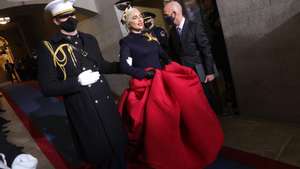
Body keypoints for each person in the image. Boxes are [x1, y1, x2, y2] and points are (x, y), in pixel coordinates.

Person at [118, 7, 223, 169]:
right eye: (135, 18)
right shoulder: (126, 42)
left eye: (140, 17)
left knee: (179, 113)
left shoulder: (150, 36)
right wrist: (144, 74)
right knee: (157, 122)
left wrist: (173, 67)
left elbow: (163, 56)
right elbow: (124, 67)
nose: (139, 20)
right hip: (146, 86)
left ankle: (186, 148)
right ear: (128, 23)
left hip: (163, 79)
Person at [37, 0, 126, 168]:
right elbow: (47, 87)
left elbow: (102, 65)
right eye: (64, 16)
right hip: (83, 108)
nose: (71, 18)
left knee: (118, 146)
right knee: (100, 154)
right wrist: (77, 82)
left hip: (106, 102)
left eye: (72, 14)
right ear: (56, 21)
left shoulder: (89, 39)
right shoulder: (48, 47)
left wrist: (124, 66)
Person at [163, 1, 221, 113]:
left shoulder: (194, 27)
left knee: (206, 98)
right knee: (194, 101)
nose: (165, 17)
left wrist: (210, 72)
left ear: (174, 14)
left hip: (199, 71)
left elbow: (206, 49)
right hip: (184, 73)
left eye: (166, 15)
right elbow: (173, 54)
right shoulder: (172, 32)